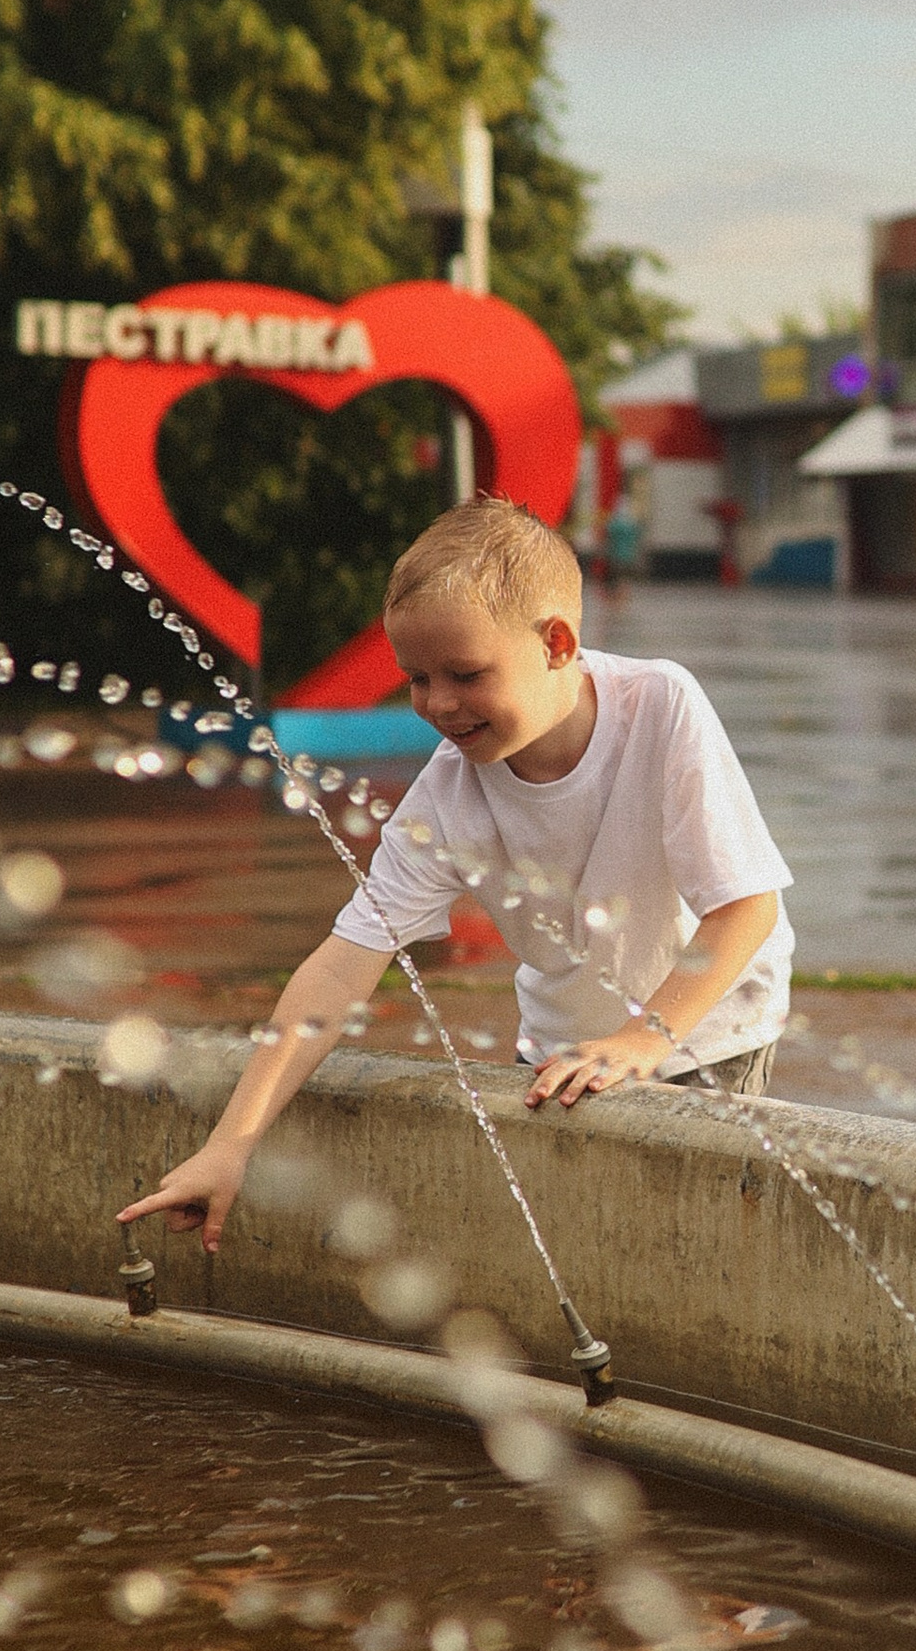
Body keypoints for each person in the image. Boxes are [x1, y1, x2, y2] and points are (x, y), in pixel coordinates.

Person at [120, 495, 793, 1253]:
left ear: (557, 644)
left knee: (684, 1251)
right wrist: (231, 1143)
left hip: (704, 1036)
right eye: (417, 678)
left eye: (466, 674)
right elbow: (340, 970)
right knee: (567, 1258)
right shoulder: (446, 796)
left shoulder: (661, 707)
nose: (439, 704)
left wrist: (646, 1038)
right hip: (559, 1050)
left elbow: (745, 908)